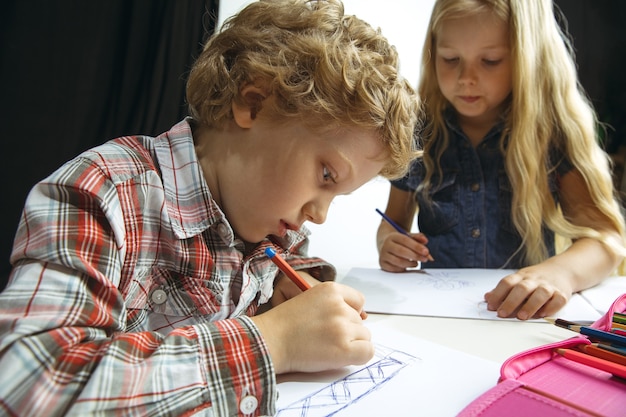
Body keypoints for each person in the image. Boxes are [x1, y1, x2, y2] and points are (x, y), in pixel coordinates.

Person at [0, 1, 419, 415]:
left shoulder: (271, 223)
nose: (320, 214)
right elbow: (30, 387)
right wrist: (273, 340)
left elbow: (279, 268)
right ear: (253, 104)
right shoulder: (100, 192)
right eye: (326, 175)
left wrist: (291, 292)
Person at [377, 0, 626, 321]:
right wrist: (389, 243)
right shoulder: (420, 133)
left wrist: (560, 274)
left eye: (491, 61)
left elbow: (604, 240)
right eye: (450, 59)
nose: (466, 78)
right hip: (437, 318)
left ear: (526, 58)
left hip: (521, 318)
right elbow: (391, 223)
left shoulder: (552, 135)